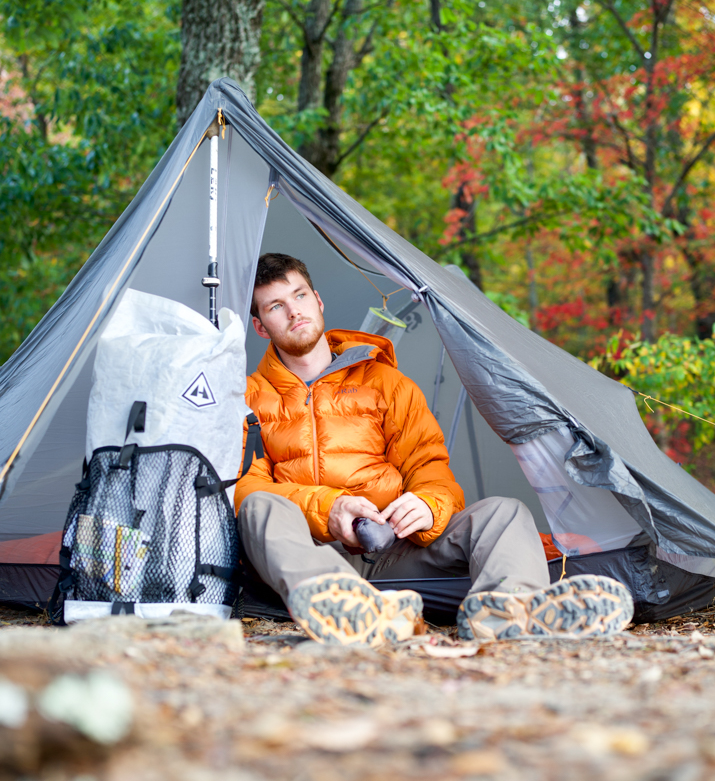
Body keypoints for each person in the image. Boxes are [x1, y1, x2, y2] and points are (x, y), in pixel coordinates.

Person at [235, 253, 633, 645]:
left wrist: (427, 503)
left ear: (318, 301)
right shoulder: (247, 399)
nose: (294, 312)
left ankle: (511, 611)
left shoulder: (386, 384)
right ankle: (345, 608)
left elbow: (430, 468)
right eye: (276, 306)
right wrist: (329, 508)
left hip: (397, 550)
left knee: (504, 511)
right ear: (260, 326)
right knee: (259, 507)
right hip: (314, 554)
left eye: (300, 295)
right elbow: (245, 489)